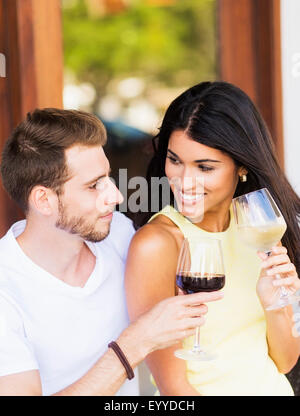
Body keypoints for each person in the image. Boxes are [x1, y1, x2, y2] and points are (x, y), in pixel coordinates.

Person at [0, 108, 224, 396]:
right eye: (94, 186)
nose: (116, 197)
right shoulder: (5, 288)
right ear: (44, 200)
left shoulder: (117, 234)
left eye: (109, 178)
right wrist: (135, 342)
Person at [125, 81, 300, 396]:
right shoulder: (157, 244)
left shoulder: (259, 229)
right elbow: (174, 388)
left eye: (204, 167)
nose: (184, 181)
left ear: (242, 164)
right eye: (175, 160)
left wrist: (276, 304)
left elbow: (285, 361)